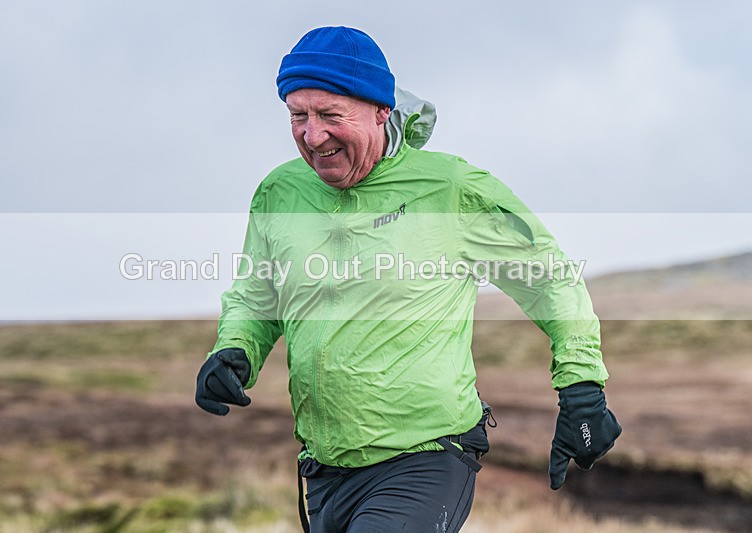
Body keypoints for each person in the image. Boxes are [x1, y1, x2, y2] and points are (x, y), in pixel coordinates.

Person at [196, 26, 621, 533]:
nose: (312, 135)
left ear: (381, 109)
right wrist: (236, 350)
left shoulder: (450, 189)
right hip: (324, 469)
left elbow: (551, 280)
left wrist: (581, 386)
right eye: (297, 115)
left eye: (330, 115)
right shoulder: (279, 192)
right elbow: (258, 293)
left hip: (427, 457)